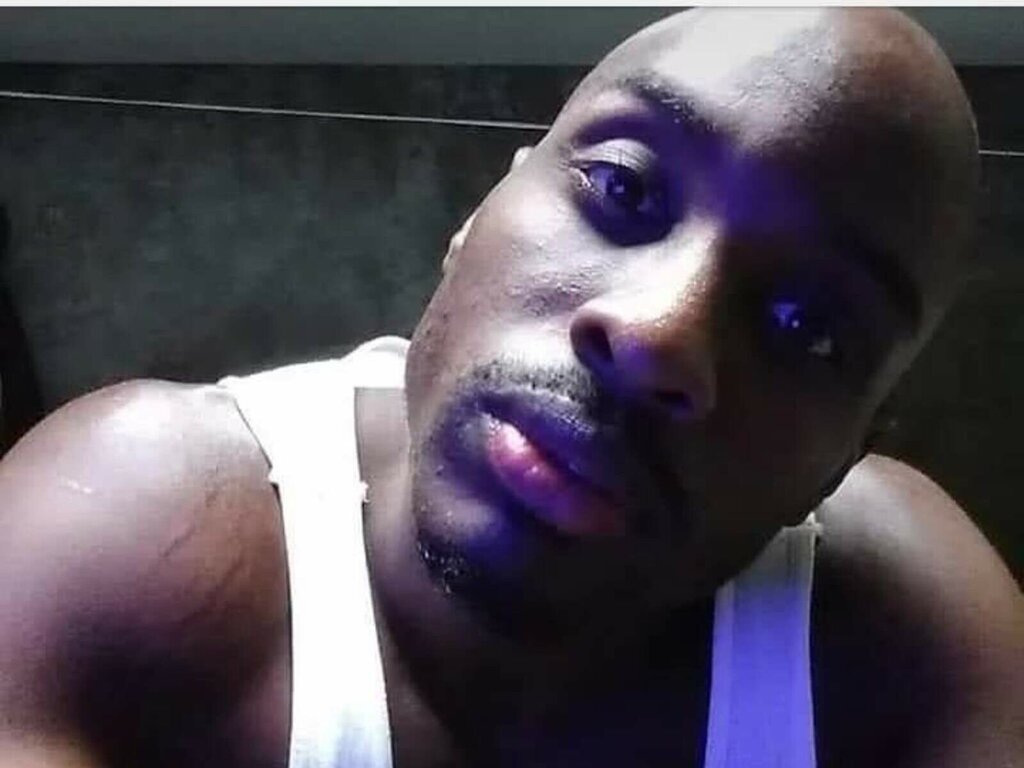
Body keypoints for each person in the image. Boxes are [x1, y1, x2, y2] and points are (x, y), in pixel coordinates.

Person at [0, 8, 1020, 768]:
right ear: (478, 217)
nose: (656, 336)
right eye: (623, 187)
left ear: (842, 459)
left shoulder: (917, 653)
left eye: (809, 326)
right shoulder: (116, 541)